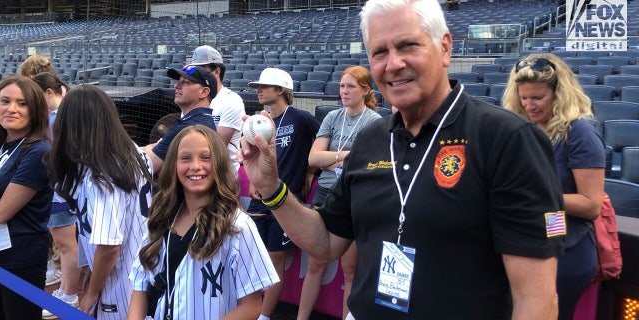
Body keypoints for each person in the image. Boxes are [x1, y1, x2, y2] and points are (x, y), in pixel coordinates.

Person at [238, 0, 565, 318]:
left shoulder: (509, 140)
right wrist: (270, 186)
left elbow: (536, 300)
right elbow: (325, 243)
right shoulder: (370, 140)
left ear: (445, 48)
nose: (392, 64)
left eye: (408, 46)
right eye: (379, 52)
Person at [128, 124, 279, 320]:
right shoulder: (160, 216)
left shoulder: (238, 225)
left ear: (219, 163)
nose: (195, 166)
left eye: (206, 158)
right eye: (185, 158)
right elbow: (140, 287)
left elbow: (251, 305)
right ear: (173, 164)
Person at [502, 53, 604, 320]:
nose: (529, 105)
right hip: (529, 245)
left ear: (559, 94)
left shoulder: (580, 131)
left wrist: (539, 197)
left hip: (567, 252)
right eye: (523, 98)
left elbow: (591, 204)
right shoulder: (525, 128)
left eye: (537, 98)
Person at [45, 84, 153, 319]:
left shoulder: (101, 174)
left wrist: (91, 293)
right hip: (144, 269)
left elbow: (108, 247)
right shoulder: (134, 151)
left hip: (119, 281)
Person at [299, 65, 381, 320]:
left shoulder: (375, 122)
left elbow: (367, 165)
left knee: (349, 269)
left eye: (350, 86)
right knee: (315, 264)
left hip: (353, 196)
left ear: (365, 90)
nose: (344, 91)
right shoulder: (333, 117)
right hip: (325, 194)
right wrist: (346, 156)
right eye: (342, 86)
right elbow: (313, 158)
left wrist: (331, 159)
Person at [246, 67, 320, 320]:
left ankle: (265, 317)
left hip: (287, 202)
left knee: (276, 257)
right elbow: (255, 158)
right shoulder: (259, 122)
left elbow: (323, 142)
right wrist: (255, 182)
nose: (258, 89)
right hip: (260, 200)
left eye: (264, 86)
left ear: (281, 90)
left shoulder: (300, 118)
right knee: (254, 257)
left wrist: (311, 171)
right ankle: (251, 310)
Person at [0, 76, 52, 320]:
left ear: (36, 109)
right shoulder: (5, 146)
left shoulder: (37, 151)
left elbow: (2, 212)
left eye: (22, 103)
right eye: (5, 101)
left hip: (20, 260)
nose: (11, 109)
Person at [32, 72, 81, 319]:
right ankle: (66, 291)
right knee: (64, 244)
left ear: (49, 93)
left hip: (61, 190)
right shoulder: (58, 116)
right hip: (60, 189)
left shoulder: (57, 118)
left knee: (66, 245)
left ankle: (69, 294)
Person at [17, 54, 65, 288]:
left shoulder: (59, 112)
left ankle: (60, 271)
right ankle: (53, 265)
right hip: (44, 182)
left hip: (60, 183)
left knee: (62, 238)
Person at [143, 65, 218, 174]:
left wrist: (149, 148)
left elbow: (147, 166)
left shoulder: (190, 126)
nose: (176, 85)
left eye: (186, 82)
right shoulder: (200, 119)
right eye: (179, 81)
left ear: (203, 92)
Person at [187, 45, 246, 173]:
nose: (197, 74)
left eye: (201, 69)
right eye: (194, 69)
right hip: (196, 175)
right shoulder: (193, 100)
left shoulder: (231, 100)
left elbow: (215, 148)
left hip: (223, 180)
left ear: (217, 71)